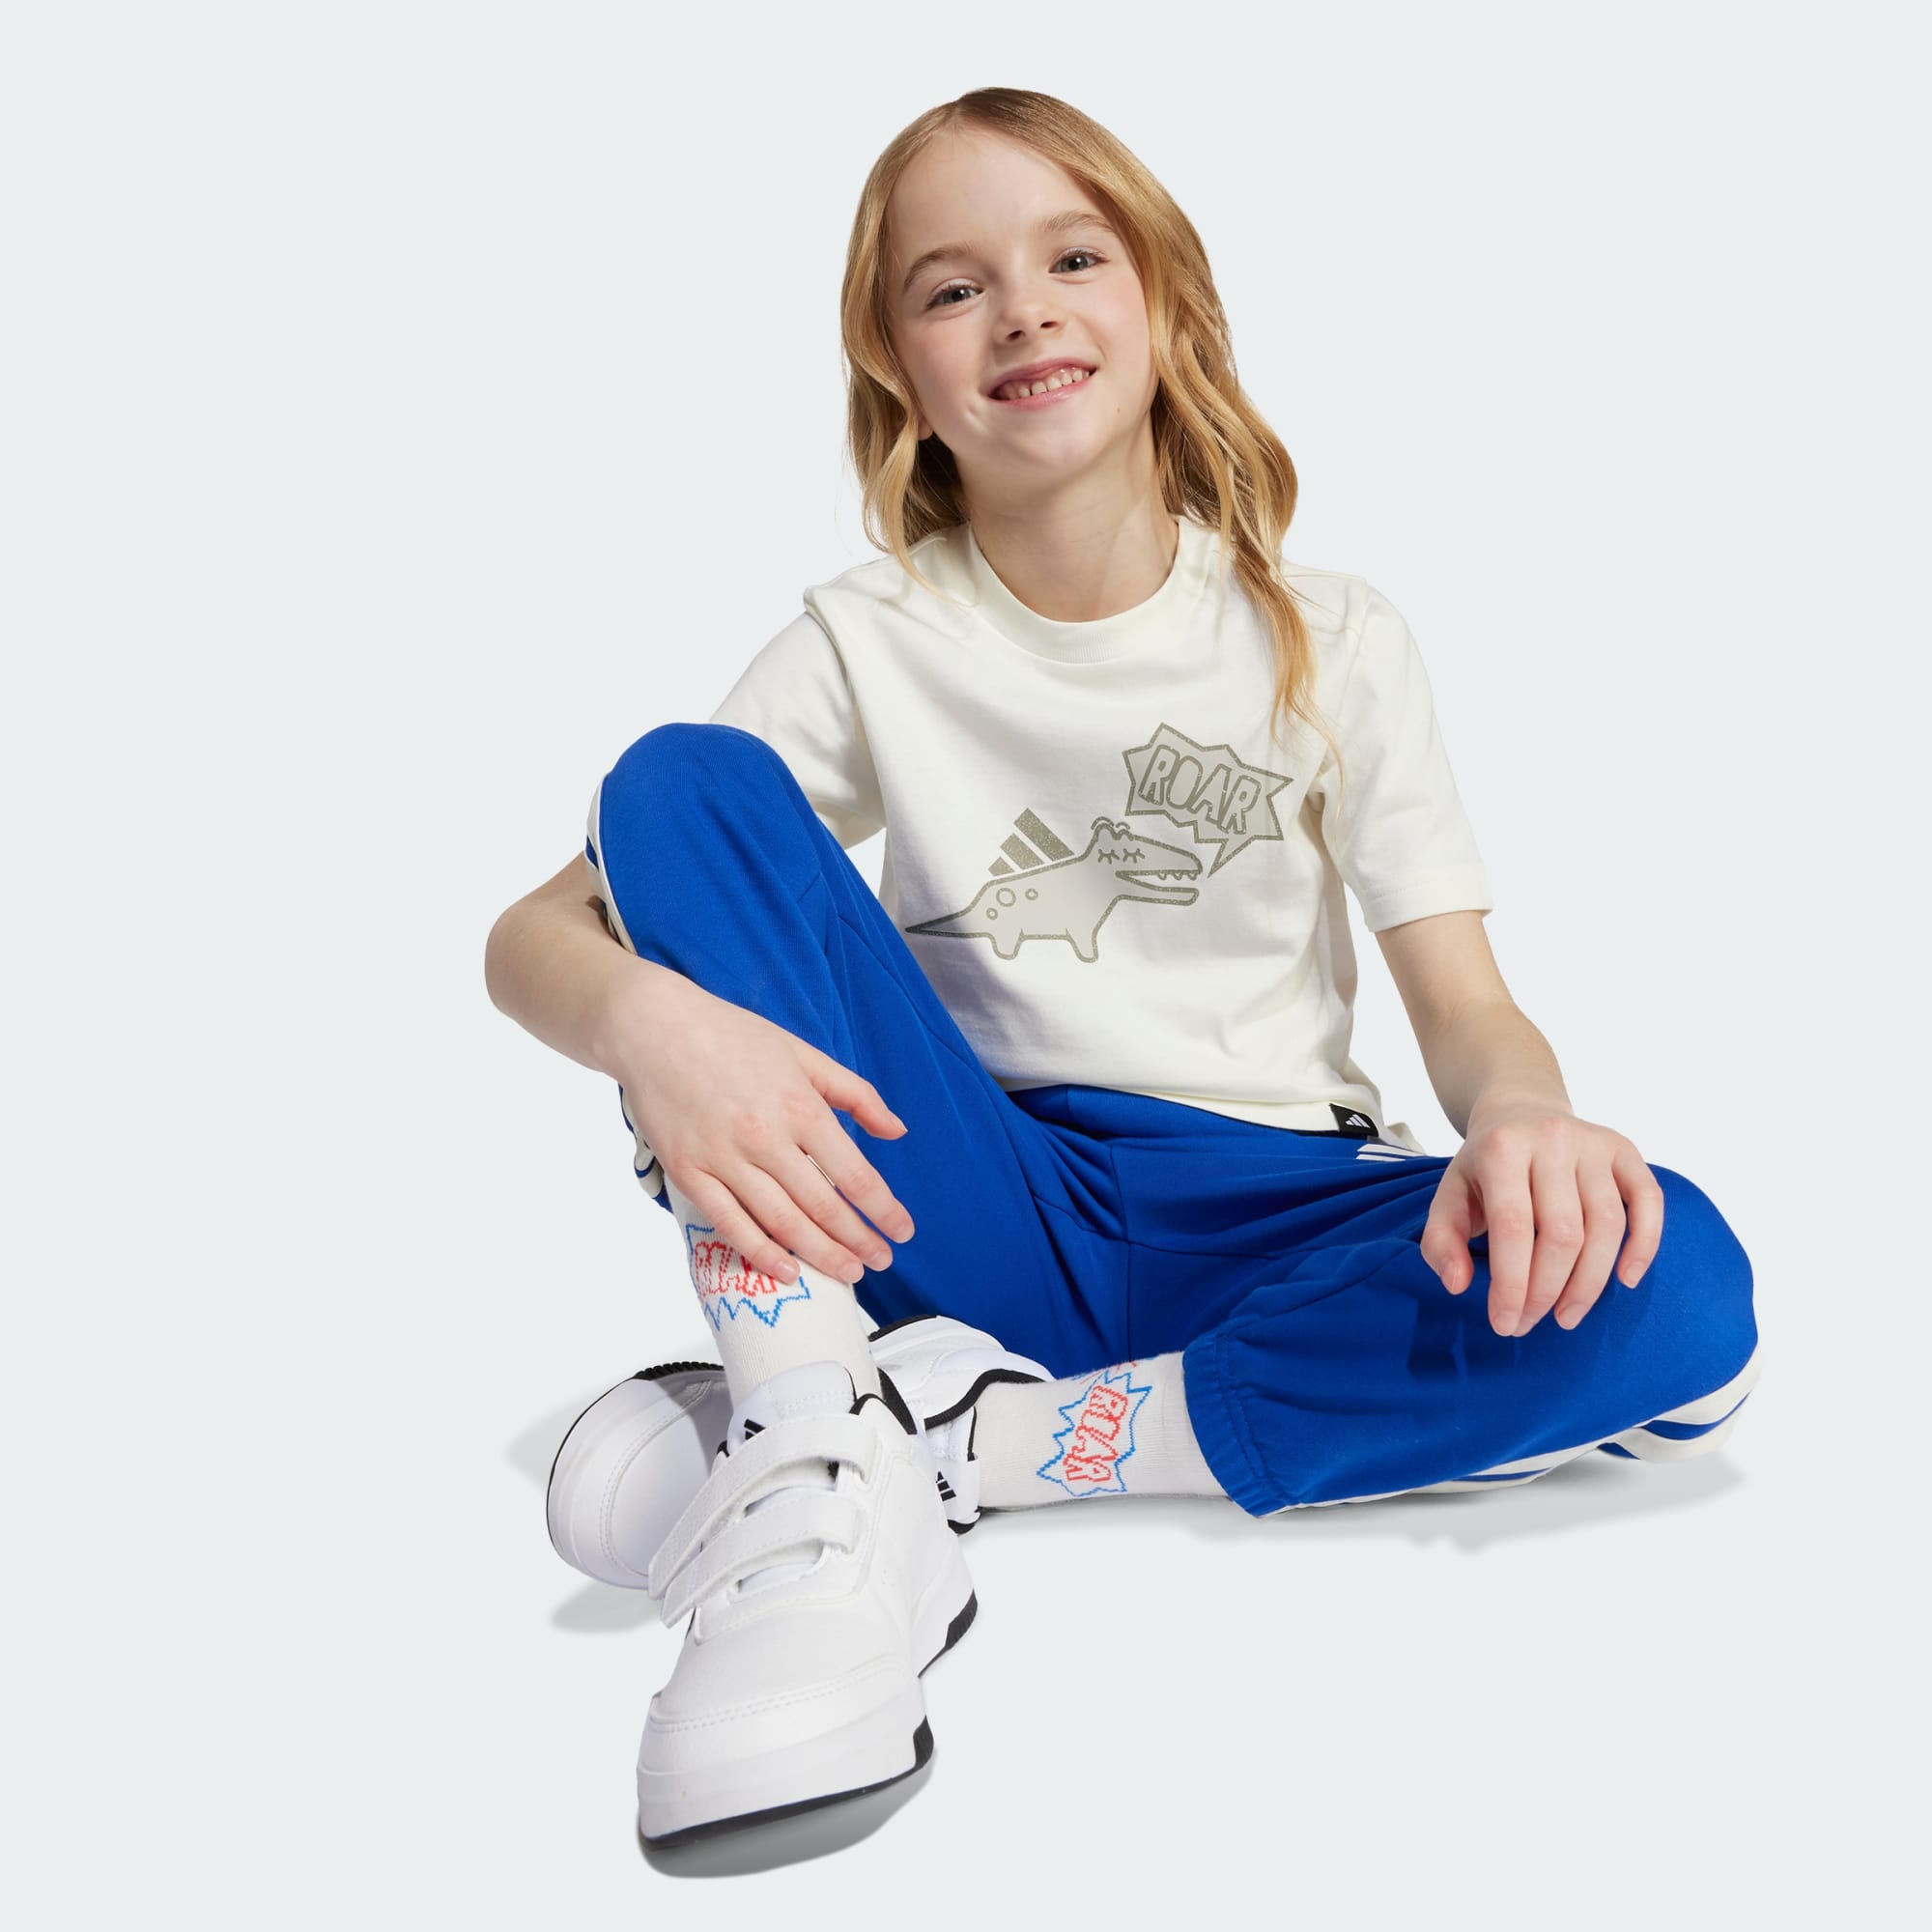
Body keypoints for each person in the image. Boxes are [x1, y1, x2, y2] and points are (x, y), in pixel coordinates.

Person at [484, 88, 1759, 1850]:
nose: (1022, 310)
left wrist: (1528, 1120)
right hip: (969, 1193)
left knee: (1672, 1278)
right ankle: (818, 1461)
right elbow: (532, 936)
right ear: (900, 368)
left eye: (1073, 258)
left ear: (1164, 301)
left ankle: (919, 1440)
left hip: (1274, 1210)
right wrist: (648, 1022)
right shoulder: (868, 640)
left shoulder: (1335, 637)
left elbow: (1465, 1009)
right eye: (952, 289)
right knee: (677, 786)